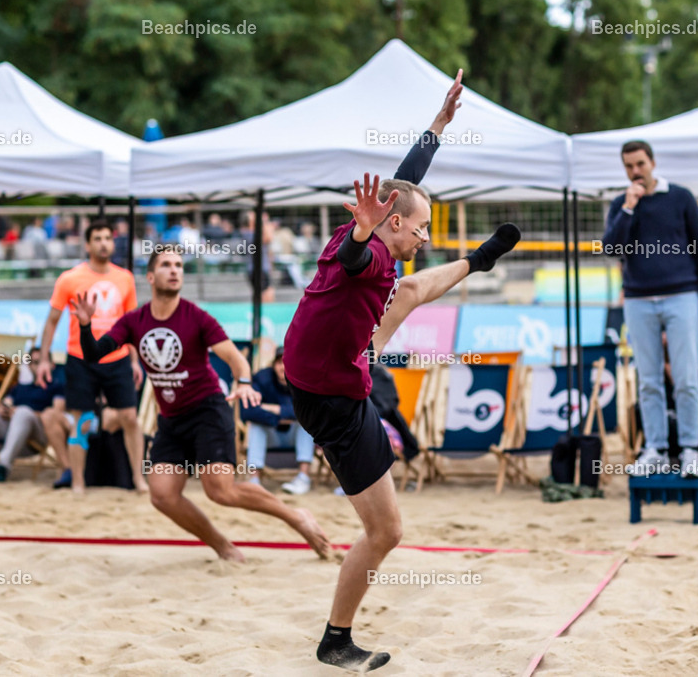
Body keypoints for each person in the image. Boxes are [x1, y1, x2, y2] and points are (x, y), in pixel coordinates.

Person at [284, 69, 521, 672]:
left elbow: (407, 179)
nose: (423, 234)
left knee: (411, 289)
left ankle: (481, 261)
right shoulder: (361, 252)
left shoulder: (383, 236)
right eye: (420, 228)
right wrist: (364, 232)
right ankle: (336, 640)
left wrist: (439, 124)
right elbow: (356, 251)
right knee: (387, 532)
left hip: (326, 371)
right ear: (392, 223)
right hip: (333, 394)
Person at [76, 248, 332, 562]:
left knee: (220, 491)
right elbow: (93, 353)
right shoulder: (134, 321)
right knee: (162, 495)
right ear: (151, 276)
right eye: (167, 265)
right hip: (171, 420)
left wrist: (244, 382)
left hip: (208, 410)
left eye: (179, 266)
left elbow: (235, 358)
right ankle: (223, 546)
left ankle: (295, 516)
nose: (175, 271)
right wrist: (86, 325)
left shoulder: (195, 317)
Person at [600, 140, 698, 478]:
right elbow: (611, 247)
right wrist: (629, 208)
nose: (635, 171)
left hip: (682, 294)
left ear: (652, 162)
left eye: (639, 164)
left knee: (686, 378)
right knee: (648, 379)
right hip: (638, 298)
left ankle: (692, 449)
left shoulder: (681, 197)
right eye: (628, 166)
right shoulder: (621, 203)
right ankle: (656, 449)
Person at [36, 221, 147, 495]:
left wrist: (134, 361)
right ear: (87, 244)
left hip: (117, 357)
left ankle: (139, 479)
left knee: (130, 418)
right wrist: (44, 358)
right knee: (81, 420)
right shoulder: (70, 278)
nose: (103, 243)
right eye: (97, 238)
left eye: (108, 238)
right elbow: (51, 321)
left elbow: (130, 323)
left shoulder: (125, 278)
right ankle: (78, 482)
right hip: (81, 358)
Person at [0, 348, 65, 483]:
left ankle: (3, 466)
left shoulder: (57, 387)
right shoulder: (19, 388)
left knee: (23, 412)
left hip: (37, 433)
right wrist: (5, 411)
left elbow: (56, 415)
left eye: (41, 362)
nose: (38, 366)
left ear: (51, 364)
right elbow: (6, 405)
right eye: (34, 362)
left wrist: (20, 411)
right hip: (12, 429)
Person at [240, 346, 316, 495]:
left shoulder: (304, 378)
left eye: (287, 362)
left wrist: (276, 409)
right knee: (256, 425)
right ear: (273, 365)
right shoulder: (262, 378)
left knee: (305, 423)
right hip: (271, 435)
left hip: (295, 436)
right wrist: (280, 418)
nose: (283, 367)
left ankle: (303, 477)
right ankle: (254, 480)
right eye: (279, 362)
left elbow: (312, 410)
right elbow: (248, 411)